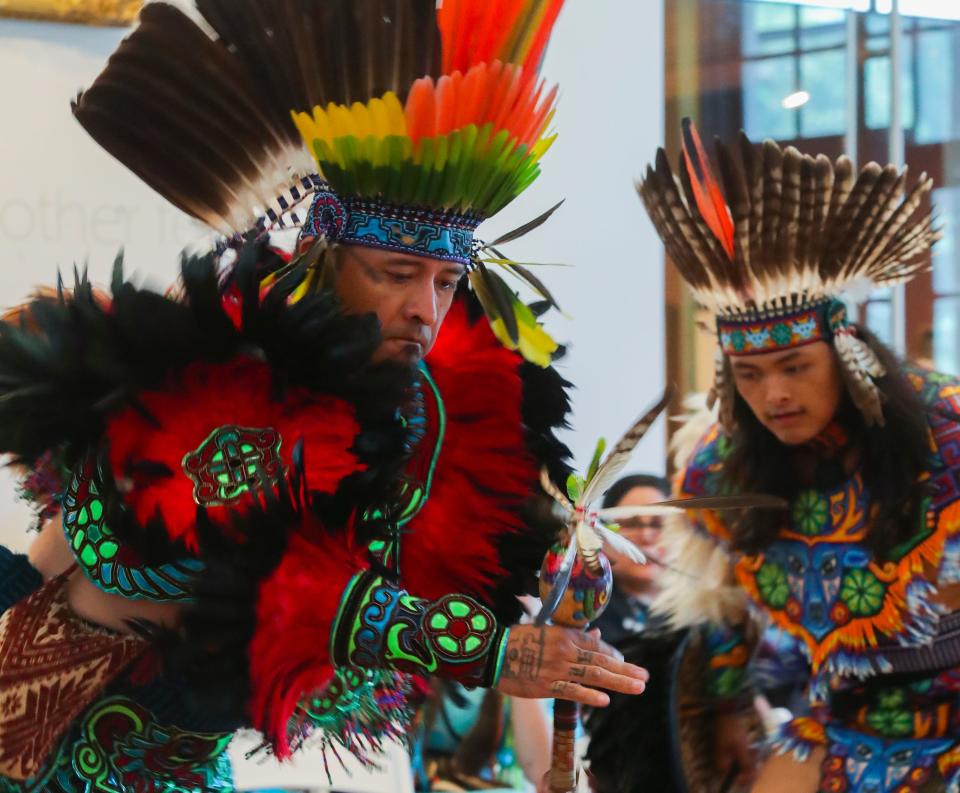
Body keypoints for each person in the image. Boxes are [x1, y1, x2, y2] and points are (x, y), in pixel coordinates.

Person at [0, 3, 649, 791]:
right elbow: (272, 569)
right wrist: (490, 650)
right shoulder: (216, 374)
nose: (427, 310)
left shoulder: (401, 410)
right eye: (395, 273)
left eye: (446, 282)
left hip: (173, 755)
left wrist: (555, 548)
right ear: (318, 257)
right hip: (47, 747)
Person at [637, 120, 957, 792]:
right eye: (749, 374)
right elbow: (721, 605)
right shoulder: (719, 469)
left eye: (794, 364)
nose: (774, 393)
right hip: (835, 723)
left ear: (845, 354)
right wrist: (723, 708)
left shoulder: (945, 431)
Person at [592, 474, 669, 645]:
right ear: (603, 537)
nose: (647, 536)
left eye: (659, 524)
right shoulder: (584, 613)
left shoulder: (707, 610)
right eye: (631, 524)